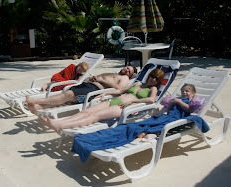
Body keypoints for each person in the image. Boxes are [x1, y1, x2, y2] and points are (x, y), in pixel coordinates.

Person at [71, 83, 209, 162]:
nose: (185, 93)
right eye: (184, 91)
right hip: (166, 116)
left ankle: (146, 133)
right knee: (132, 125)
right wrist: (172, 102)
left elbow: (190, 110)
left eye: (188, 91)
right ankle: (142, 132)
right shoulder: (177, 99)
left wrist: (179, 101)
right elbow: (167, 109)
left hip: (174, 120)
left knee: (148, 125)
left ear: (193, 93)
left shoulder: (191, 102)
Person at [40, 68, 165, 133]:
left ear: (158, 82)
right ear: (149, 76)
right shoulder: (137, 83)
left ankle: (60, 126)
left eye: (156, 79)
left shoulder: (152, 88)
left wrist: (133, 102)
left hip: (124, 107)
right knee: (86, 112)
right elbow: (121, 91)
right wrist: (106, 92)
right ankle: (59, 122)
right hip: (115, 101)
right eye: (152, 76)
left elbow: (151, 100)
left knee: (95, 116)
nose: (153, 79)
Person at [27, 65, 138, 114]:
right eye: (127, 68)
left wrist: (101, 80)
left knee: (66, 96)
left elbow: (119, 88)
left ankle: (35, 101)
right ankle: (37, 108)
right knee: (65, 97)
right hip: (88, 85)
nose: (127, 70)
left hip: (94, 90)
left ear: (130, 75)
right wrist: (93, 78)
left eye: (129, 71)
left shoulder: (124, 78)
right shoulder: (114, 73)